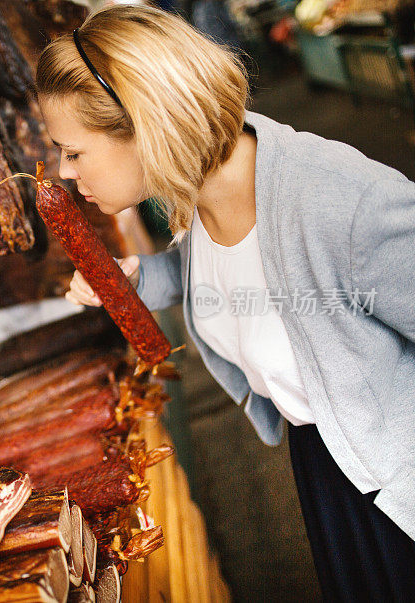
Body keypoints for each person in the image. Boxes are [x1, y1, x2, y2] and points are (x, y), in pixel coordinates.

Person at [35, 4, 415, 600]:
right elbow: (226, 280)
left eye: (74, 151)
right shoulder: (199, 194)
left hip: (396, 490)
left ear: (143, 124)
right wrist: (139, 280)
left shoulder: (338, 201)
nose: (63, 171)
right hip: (326, 466)